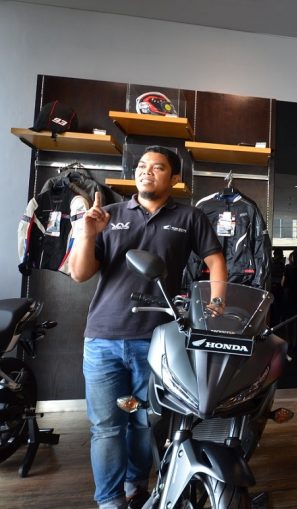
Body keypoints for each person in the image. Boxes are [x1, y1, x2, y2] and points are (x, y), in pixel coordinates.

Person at [69, 146, 227, 509]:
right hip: (103, 337)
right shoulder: (108, 214)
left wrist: (217, 304)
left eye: (158, 167)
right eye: (142, 166)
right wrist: (88, 234)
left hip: (157, 338)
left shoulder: (189, 217)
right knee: (106, 427)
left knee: (144, 422)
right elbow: (79, 274)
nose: (147, 172)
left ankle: (135, 486)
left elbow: (215, 260)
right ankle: (109, 501)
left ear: (174, 178)